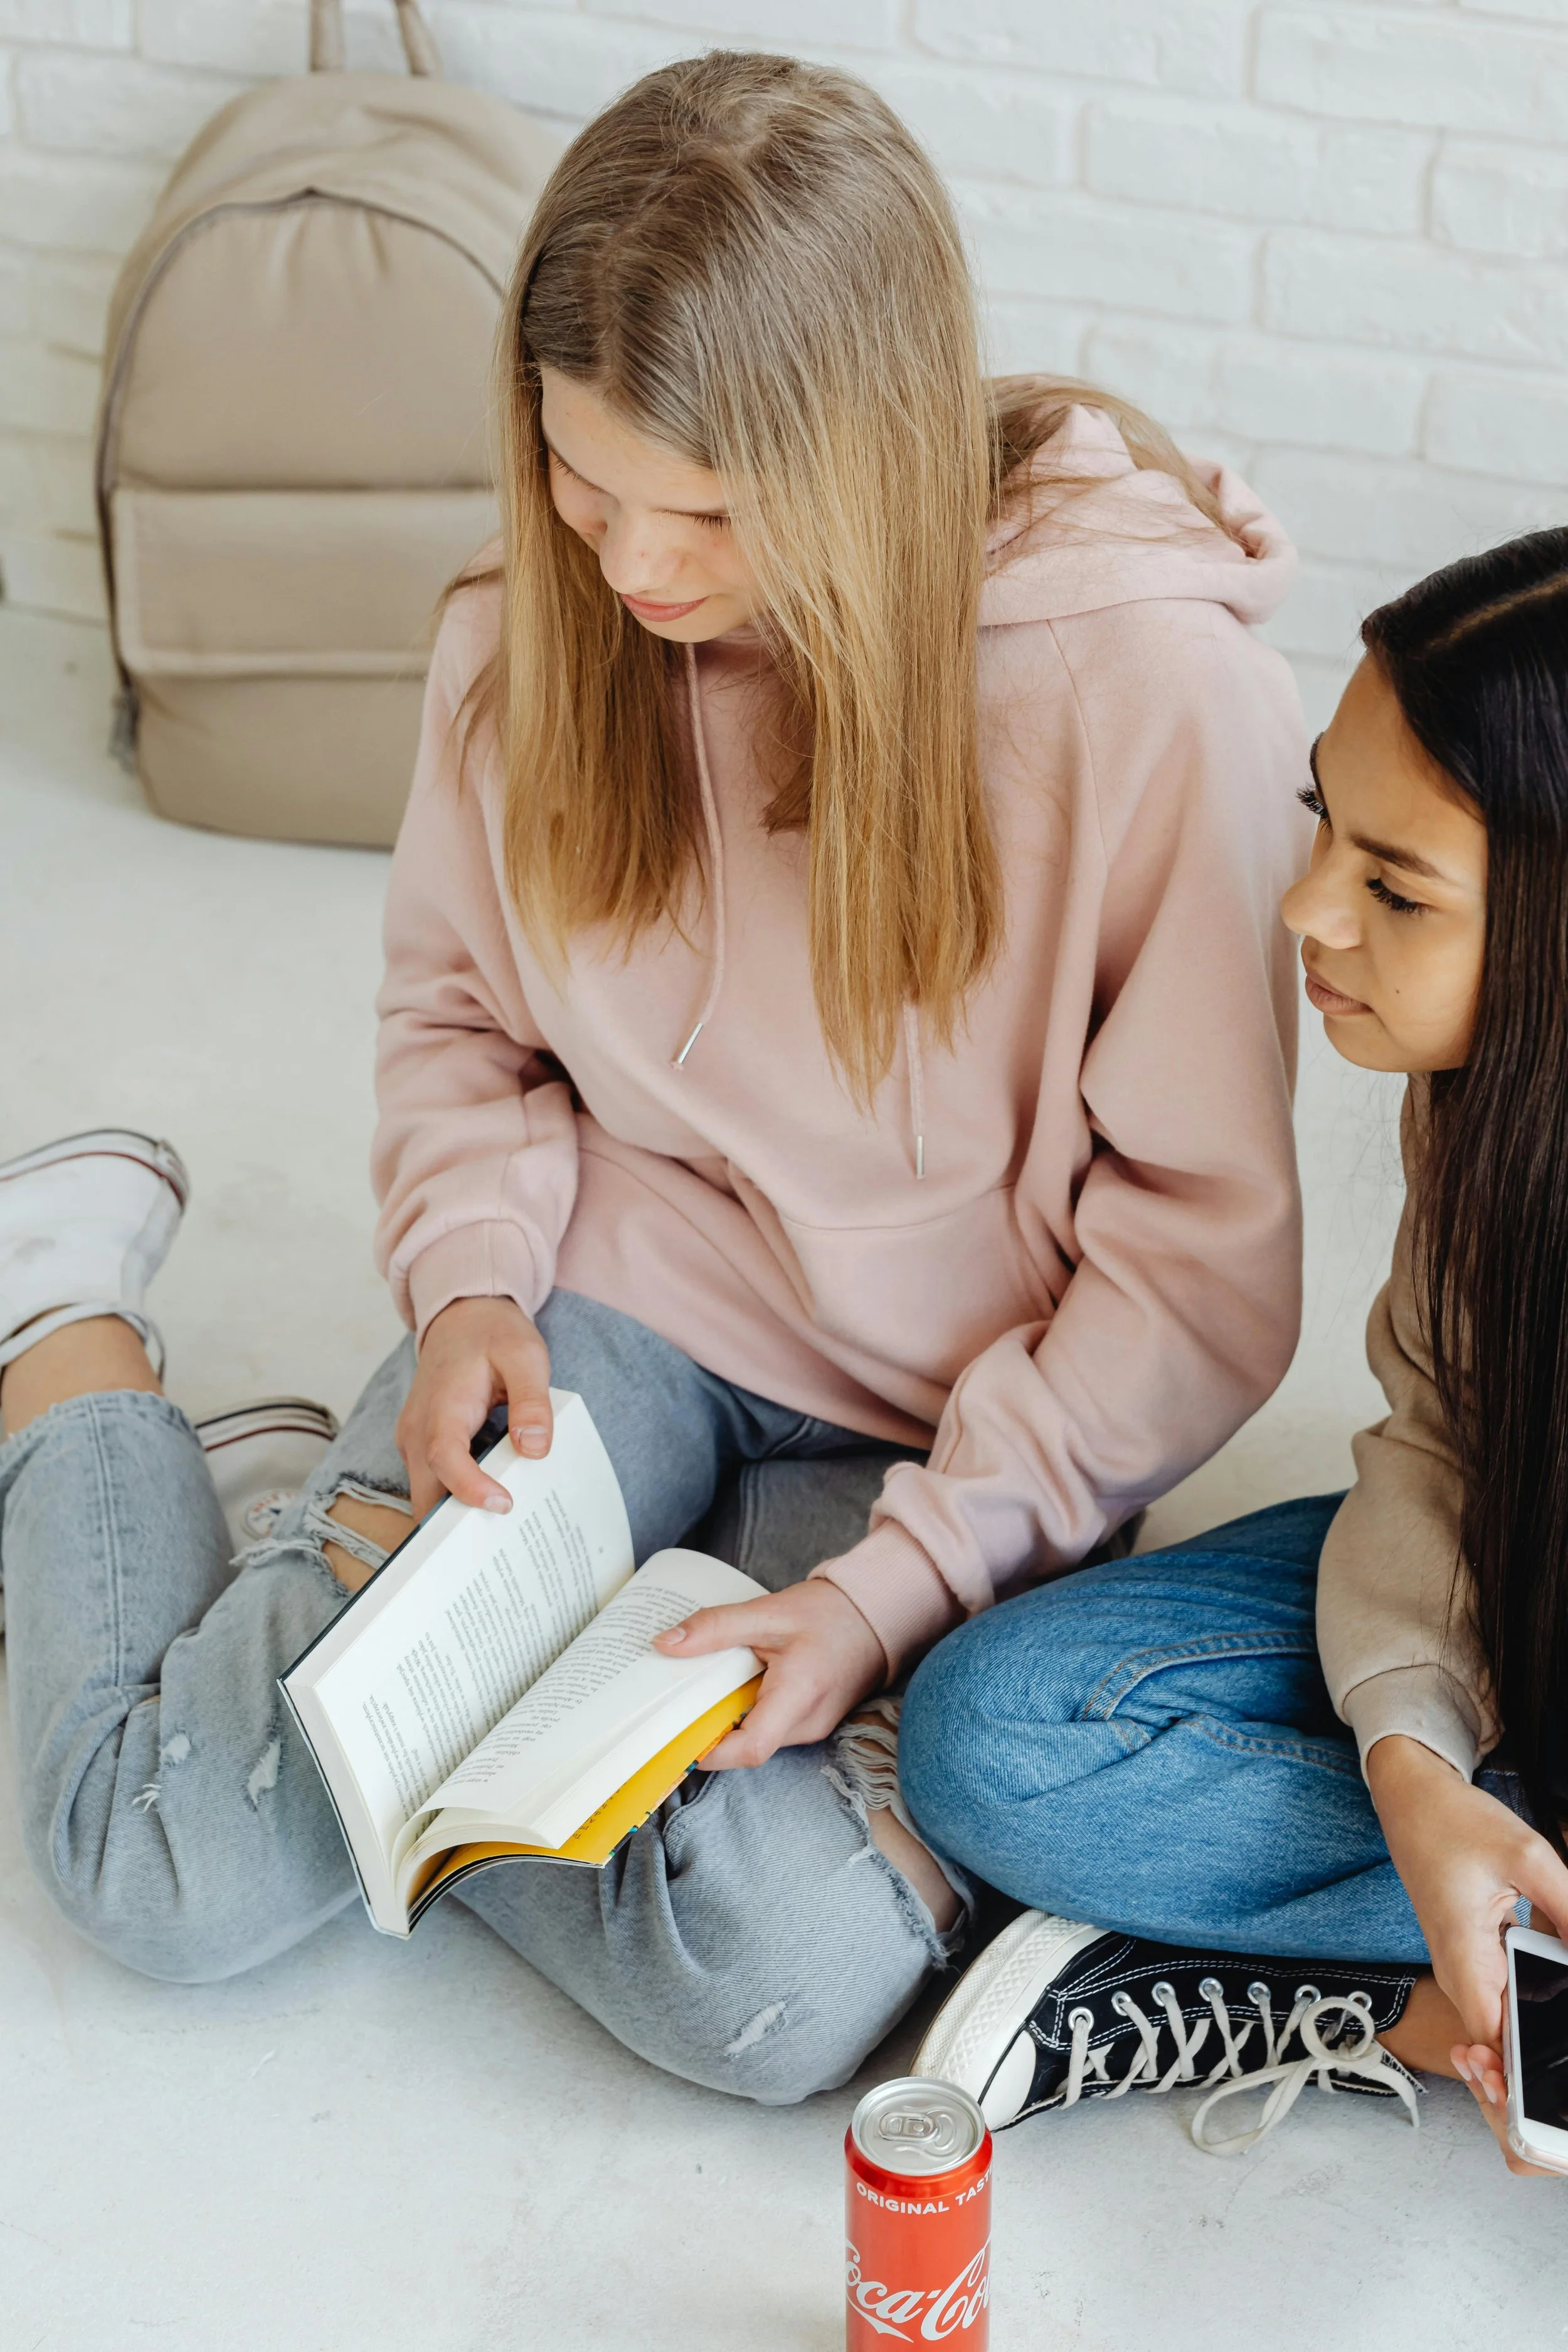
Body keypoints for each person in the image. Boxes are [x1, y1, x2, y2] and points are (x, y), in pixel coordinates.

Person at [0, 51, 1307, 2102]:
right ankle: (61, 1329)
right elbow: (458, 1020)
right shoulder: (536, 638)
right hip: (608, 1318)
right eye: (580, 488)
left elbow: (1196, 1278)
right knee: (159, 1872)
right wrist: (468, 1290)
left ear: (860, 451)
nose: (628, 570)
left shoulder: (1149, 701)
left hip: (954, 1431)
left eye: (699, 511)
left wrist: (892, 1593)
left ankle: (309, 1595)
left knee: (774, 1988)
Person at [901, 527, 1568, 2170]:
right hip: (1504, 1600)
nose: (1303, 909)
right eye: (1319, 821)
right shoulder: (1485, 1103)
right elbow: (1433, 1443)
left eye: (1392, 886)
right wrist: (1408, 1753)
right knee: (987, 1731)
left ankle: (1361, 1974)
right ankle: (1455, 1931)